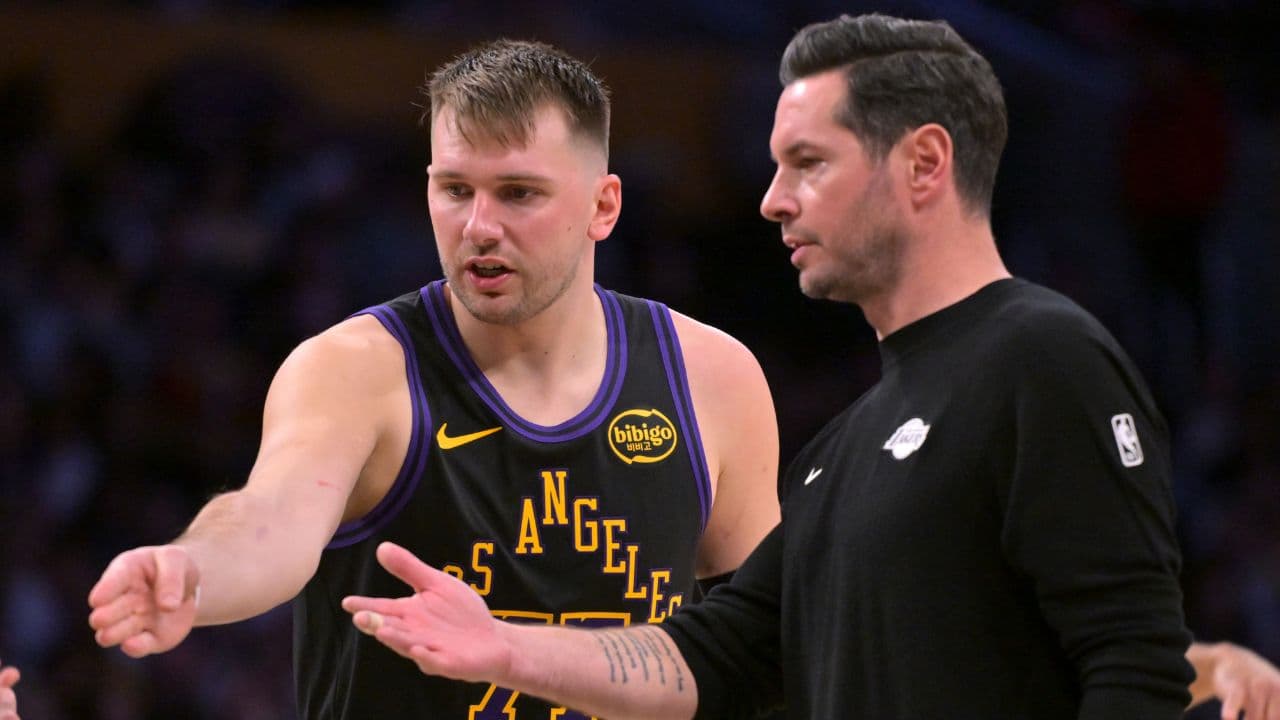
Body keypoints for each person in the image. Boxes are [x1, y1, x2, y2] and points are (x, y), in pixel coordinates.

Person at [341, 13, 1280, 720]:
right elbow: (715, 655)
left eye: (806, 163)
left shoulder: (1043, 357)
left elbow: (1130, 660)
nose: (771, 200)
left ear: (922, 164)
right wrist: (504, 649)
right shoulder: (849, 440)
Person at [87, 39, 780, 718]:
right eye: (455, 190)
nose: (479, 226)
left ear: (603, 206)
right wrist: (193, 571)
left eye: (518, 193)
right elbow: (269, 519)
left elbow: (757, 646)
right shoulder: (355, 370)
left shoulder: (712, 376)